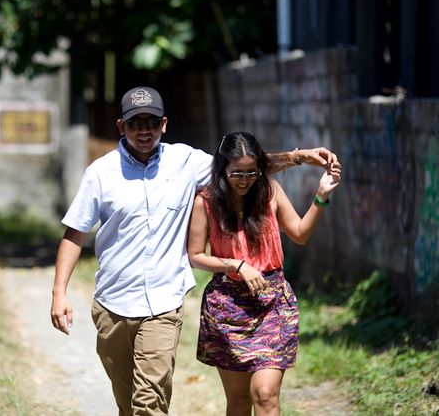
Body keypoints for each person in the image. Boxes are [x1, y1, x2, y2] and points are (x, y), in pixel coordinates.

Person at [50, 86, 340, 416]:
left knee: (150, 403)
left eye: (151, 122)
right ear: (121, 127)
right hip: (113, 303)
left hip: (163, 302)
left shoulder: (185, 162)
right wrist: (59, 292)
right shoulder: (100, 173)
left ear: (164, 124)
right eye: (135, 123)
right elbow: (74, 233)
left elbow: (242, 167)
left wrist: (299, 157)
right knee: (128, 402)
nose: (144, 130)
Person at [187, 131, 341, 416]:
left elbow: (299, 234)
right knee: (239, 401)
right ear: (221, 168)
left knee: (265, 394)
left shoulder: (270, 192)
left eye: (251, 172)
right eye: (237, 173)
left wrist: (320, 197)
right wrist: (235, 264)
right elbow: (195, 256)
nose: (244, 180)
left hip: (272, 303)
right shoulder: (205, 202)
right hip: (227, 307)